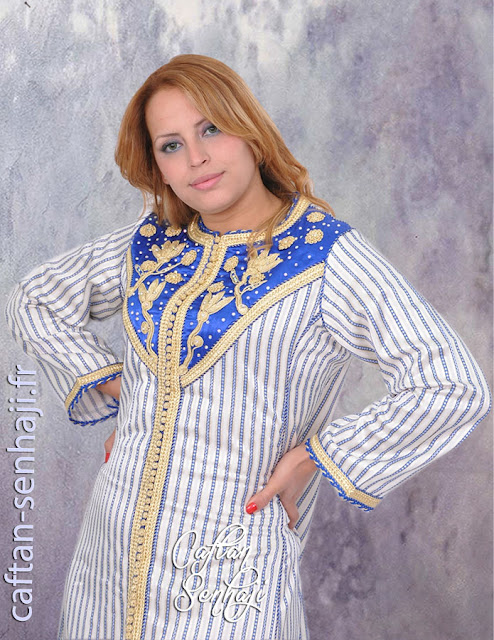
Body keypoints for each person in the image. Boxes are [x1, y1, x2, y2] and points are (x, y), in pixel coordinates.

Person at [6, 54, 490, 640]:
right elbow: (35, 298)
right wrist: (127, 392)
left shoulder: (326, 255)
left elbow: (451, 385)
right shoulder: (153, 243)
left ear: (250, 132)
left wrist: (313, 457)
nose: (196, 157)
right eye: (171, 145)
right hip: (110, 557)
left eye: (211, 129)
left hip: (230, 566)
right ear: (159, 167)